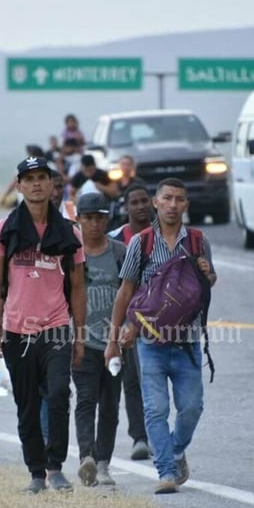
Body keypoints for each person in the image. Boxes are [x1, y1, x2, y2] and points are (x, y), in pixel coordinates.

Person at [105, 178, 217, 494]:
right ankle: (166, 471)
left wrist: (208, 273)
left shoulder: (197, 241)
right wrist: (114, 339)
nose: (172, 205)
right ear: (156, 202)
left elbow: (207, 283)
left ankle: (177, 451)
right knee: (155, 409)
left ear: (186, 205)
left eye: (179, 199)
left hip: (188, 342)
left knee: (191, 407)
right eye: (166, 198)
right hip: (149, 343)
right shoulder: (140, 244)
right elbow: (125, 291)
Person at [0, 155, 86, 494]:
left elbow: (78, 286)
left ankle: (56, 467)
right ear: (20, 185)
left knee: (58, 394)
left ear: (53, 185)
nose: (37, 184)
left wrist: (80, 335)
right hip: (16, 331)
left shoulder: (69, 233)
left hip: (56, 327)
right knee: (26, 405)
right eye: (29, 179)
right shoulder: (5, 230)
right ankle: (36, 474)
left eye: (43, 177)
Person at [72, 192, 127, 487]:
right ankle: (87, 459)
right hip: (82, 342)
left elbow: (132, 293)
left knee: (109, 404)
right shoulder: (72, 254)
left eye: (99, 218)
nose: (94, 224)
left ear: (107, 219)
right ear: (78, 220)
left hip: (114, 344)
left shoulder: (120, 252)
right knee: (85, 400)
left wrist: (129, 328)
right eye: (88, 218)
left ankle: (104, 462)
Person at [107, 183, 154, 460]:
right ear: (126, 207)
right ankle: (140, 437)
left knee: (157, 378)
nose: (139, 206)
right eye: (133, 202)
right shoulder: (115, 239)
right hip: (128, 320)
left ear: (152, 203)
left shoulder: (165, 236)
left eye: (143, 201)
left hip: (162, 320)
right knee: (133, 379)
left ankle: (158, 431)